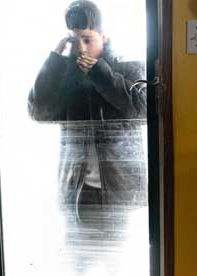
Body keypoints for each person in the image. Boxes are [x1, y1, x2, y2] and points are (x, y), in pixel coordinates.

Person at [28, 0, 147, 226]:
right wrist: (54, 60)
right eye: (74, 40)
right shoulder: (64, 75)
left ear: (104, 37)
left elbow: (142, 111)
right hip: (76, 195)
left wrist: (101, 75)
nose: (81, 48)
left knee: (118, 260)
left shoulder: (127, 69)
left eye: (87, 39)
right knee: (76, 260)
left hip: (121, 195)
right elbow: (38, 112)